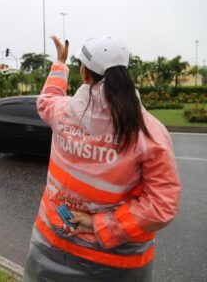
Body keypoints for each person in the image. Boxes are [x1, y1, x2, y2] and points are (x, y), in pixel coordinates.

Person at [23, 35, 181, 282]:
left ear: (84, 73)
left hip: (50, 247)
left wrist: (60, 62)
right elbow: (162, 205)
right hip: (118, 265)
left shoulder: (62, 112)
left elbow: (46, 99)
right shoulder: (148, 132)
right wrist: (102, 224)